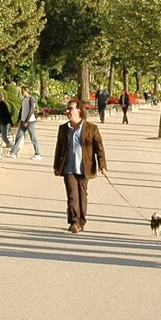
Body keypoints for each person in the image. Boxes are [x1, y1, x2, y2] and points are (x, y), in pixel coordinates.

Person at [52, 97, 107, 233]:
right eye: (67, 108)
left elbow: (99, 147)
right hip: (68, 167)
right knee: (72, 195)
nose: (67, 111)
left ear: (79, 111)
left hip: (85, 167)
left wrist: (102, 165)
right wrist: (56, 166)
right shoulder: (63, 128)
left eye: (70, 108)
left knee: (82, 194)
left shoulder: (91, 128)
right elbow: (59, 148)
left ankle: (82, 220)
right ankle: (74, 222)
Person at [10, 85, 41, 160]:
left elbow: (31, 111)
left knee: (33, 137)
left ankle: (38, 154)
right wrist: (18, 121)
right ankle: (14, 152)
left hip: (30, 122)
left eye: (22, 91)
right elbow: (21, 110)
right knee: (18, 136)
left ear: (26, 90)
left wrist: (26, 121)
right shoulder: (24, 99)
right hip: (23, 121)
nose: (21, 92)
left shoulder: (31, 99)